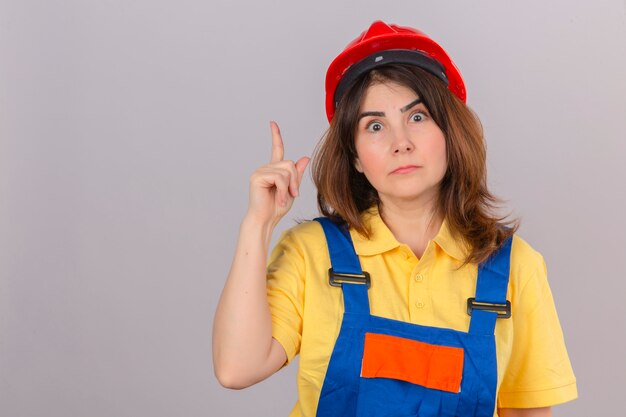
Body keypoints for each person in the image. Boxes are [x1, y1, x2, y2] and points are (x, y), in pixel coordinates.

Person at [212, 20, 577, 417]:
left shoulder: (514, 268)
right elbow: (236, 369)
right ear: (354, 156)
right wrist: (258, 225)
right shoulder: (311, 254)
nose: (400, 142)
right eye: (374, 125)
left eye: (417, 117)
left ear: (450, 132)